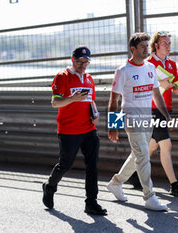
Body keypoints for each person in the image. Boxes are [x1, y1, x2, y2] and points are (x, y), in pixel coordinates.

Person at [106, 32, 171, 211]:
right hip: (131, 119)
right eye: (142, 47)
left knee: (137, 155)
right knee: (143, 156)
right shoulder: (122, 71)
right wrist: (113, 126)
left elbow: (156, 93)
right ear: (133, 49)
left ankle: (116, 183)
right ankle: (149, 196)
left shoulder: (150, 68)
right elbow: (114, 101)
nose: (146, 50)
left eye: (147, 46)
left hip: (147, 119)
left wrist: (165, 113)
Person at [42, 45, 107, 215]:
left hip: (89, 129)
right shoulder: (62, 77)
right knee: (65, 164)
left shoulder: (89, 79)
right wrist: (73, 98)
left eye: (86, 62)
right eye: (79, 61)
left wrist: (96, 113)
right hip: (69, 130)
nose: (83, 65)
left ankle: (91, 202)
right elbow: (55, 102)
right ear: (72, 60)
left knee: (92, 166)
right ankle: (50, 187)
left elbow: (91, 101)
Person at [128, 31, 178, 197]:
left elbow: (175, 87)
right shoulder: (148, 63)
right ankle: (174, 184)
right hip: (151, 110)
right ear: (156, 45)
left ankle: (134, 175)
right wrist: (160, 84)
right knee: (166, 145)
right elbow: (141, 87)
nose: (168, 46)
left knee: (153, 145)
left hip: (165, 109)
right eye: (165, 43)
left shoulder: (172, 64)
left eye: (170, 43)